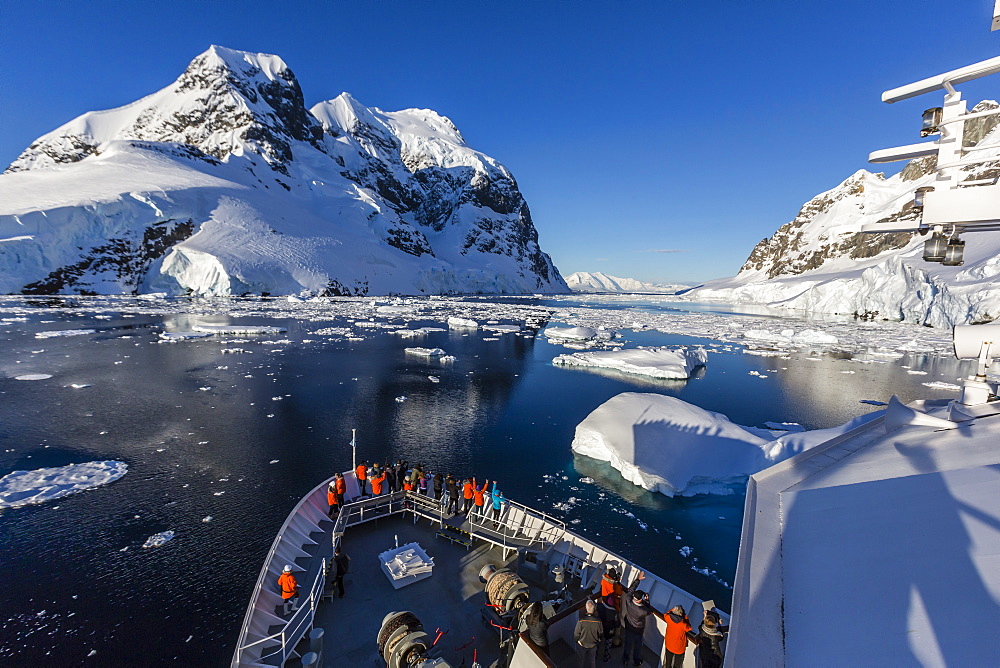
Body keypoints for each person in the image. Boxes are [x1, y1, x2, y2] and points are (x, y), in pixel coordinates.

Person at [622, 571, 654, 667]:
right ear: (641, 599)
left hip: (628, 626)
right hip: (638, 629)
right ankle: (636, 661)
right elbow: (649, 610)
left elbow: (630, 590)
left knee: (627, 643)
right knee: (637, 646)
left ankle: (625, 660)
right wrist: (647, 600)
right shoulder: (643, 611)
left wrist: (637, 580)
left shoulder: (628, 601)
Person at [574, 599, 603, 668]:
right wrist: (598, 641)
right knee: (592, 661)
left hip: (582, 644)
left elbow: (576, 633)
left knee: (580, 661)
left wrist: (577, 641)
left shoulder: (581, 621)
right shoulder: (598, 621)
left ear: (586, 608)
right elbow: (601, 634)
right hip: (593, 645)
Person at [597, 594, 618, 662]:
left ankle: (595, 655)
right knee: (608, 643)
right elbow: (617, 623)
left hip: (600, 627)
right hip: (610, 630)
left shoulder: (600, 607)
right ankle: (606, 657)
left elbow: (594, 605)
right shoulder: (614, 612)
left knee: (598, 642)